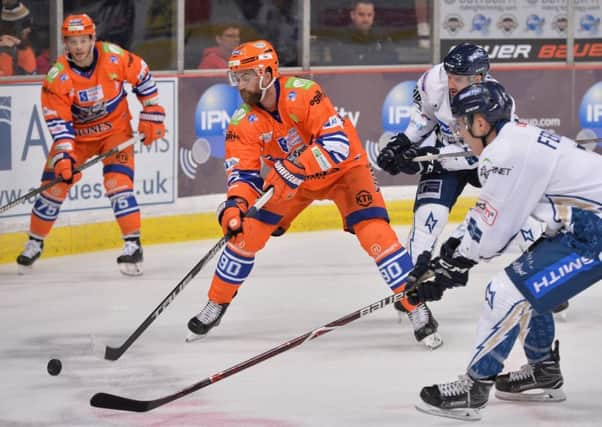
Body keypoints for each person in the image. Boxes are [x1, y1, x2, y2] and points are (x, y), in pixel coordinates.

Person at [186, 40, 442, 349]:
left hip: (345, 171)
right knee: (245, 234)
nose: (239, 85)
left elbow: (337, 145)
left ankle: (416, 306)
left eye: (245, 76)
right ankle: (216, 303)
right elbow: (243, 174)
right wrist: (235, 204)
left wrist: (295, 166)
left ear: (267, 72)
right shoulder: (243, 123)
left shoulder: (304, 93)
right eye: (236, 78)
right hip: (295, 181)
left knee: (376, 235)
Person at [405, 81, 602, 421]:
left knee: (505, 291)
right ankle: (543, 370)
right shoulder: (515, 140)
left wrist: (451, 269)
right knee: (524, 282)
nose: (461, 133)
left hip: (591, 231)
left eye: (463, 124)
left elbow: (493, 233)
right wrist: (452, 252)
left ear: (481, 123)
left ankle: (474, 387)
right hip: (579, 225)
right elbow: (495, 216)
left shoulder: (504, 154)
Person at [376, 42, 547, 318]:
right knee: (426, 222)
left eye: (462, 78)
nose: (453, 83)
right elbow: (424, 117)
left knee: (522, 219)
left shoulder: (497, 100)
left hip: (484, 161)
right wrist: (402, 142)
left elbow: (487, 153)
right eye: (451, 75)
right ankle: (412, 299)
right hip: (444, 157)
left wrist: (431, 155)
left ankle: (543, 278)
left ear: (480, 78)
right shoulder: (433, 81)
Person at [16, 13, 166, 276]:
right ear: (66, 44)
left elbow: (142, 74)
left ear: (92, 38)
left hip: (115, 132)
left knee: (118, 185)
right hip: (77, 139)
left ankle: (133, 244)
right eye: (72, 42)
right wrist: (64, 156)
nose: (78, 47)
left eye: (83, 40)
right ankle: (35, 242)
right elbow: (59, 122)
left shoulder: (113, 56)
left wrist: (152, 112)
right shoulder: (57, 76)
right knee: (53, 188)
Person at [326, 0, 397, 66]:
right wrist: (375, 56)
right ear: (352, 15)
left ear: (373, 16)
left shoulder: (381, 34)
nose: (366, 19)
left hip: (377, 78)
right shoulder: (340, 35)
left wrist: (362, 57)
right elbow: (346, 61)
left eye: (369, 15)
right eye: (361, 14)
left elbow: (393, 58)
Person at [0, 0, 35, 76]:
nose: (29, 30)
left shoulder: (22, 46)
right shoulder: (7, 49)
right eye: (26, 25)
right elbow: (6, 77)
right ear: (15, 26)